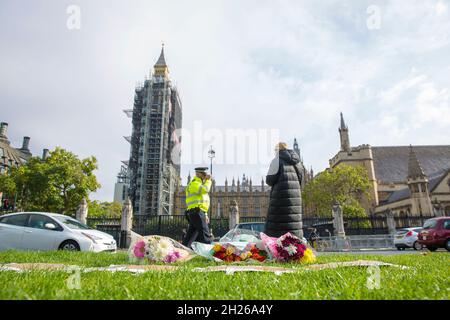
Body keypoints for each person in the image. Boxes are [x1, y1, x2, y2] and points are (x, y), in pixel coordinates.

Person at [264, 142, 304, 239]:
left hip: (280, 198)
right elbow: (301, 180)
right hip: (295, 199)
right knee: (293, 226)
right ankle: (293, 250)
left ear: (277, 150)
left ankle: (277, 251)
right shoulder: (298, 163)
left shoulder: (276, 161)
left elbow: (269, 180)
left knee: (278, 228)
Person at [182, 167, 213, 248]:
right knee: (205, 235)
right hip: (196, 212)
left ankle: (182, 253)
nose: (205, 176)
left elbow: (201, 201)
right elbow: (205, 190)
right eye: (204, 174)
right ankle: (209, 255)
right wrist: (209, 181)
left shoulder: (198, 184)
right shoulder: (194, 183)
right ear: (198, 174)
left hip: (196, 212)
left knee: (189, 237)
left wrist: (205, 214)